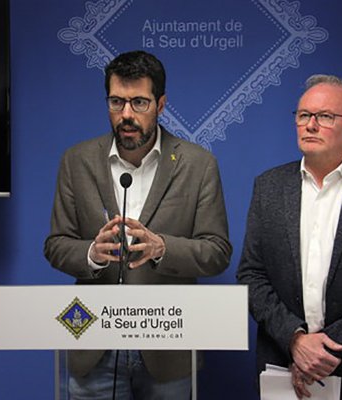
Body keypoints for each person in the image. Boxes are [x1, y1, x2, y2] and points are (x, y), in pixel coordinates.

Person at [44, 50, 232, 399]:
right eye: (117, 102)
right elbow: (56, 245)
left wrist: (163, 248)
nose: (126, 114)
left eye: (139, 103)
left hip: (168, 349)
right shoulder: (76, 160)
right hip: (93, 346)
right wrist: (91, 254)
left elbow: (217, 252)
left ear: (161, 105)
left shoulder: (198, 164)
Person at [236, 74, 342, 399]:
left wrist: (323, 350)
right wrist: (295, 339)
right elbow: (251, 274)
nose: (311, 125)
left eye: (325, 116)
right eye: (304, 115)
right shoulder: (269, 187)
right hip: (284, 366)